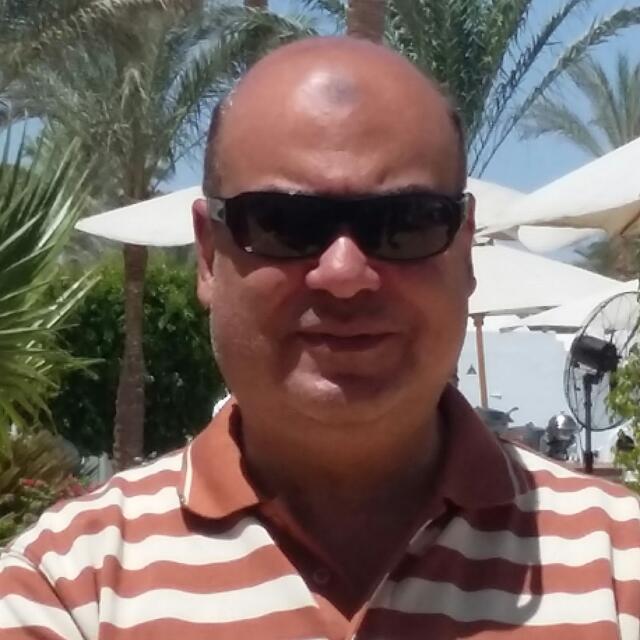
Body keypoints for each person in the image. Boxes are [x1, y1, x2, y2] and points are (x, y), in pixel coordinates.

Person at [1, 36, 639, 640]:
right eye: (283, 223)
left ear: (465, 249)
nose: (344, 275)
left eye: (404, 223)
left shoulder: (621, 570)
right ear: (208, 255)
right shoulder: (67, 589)